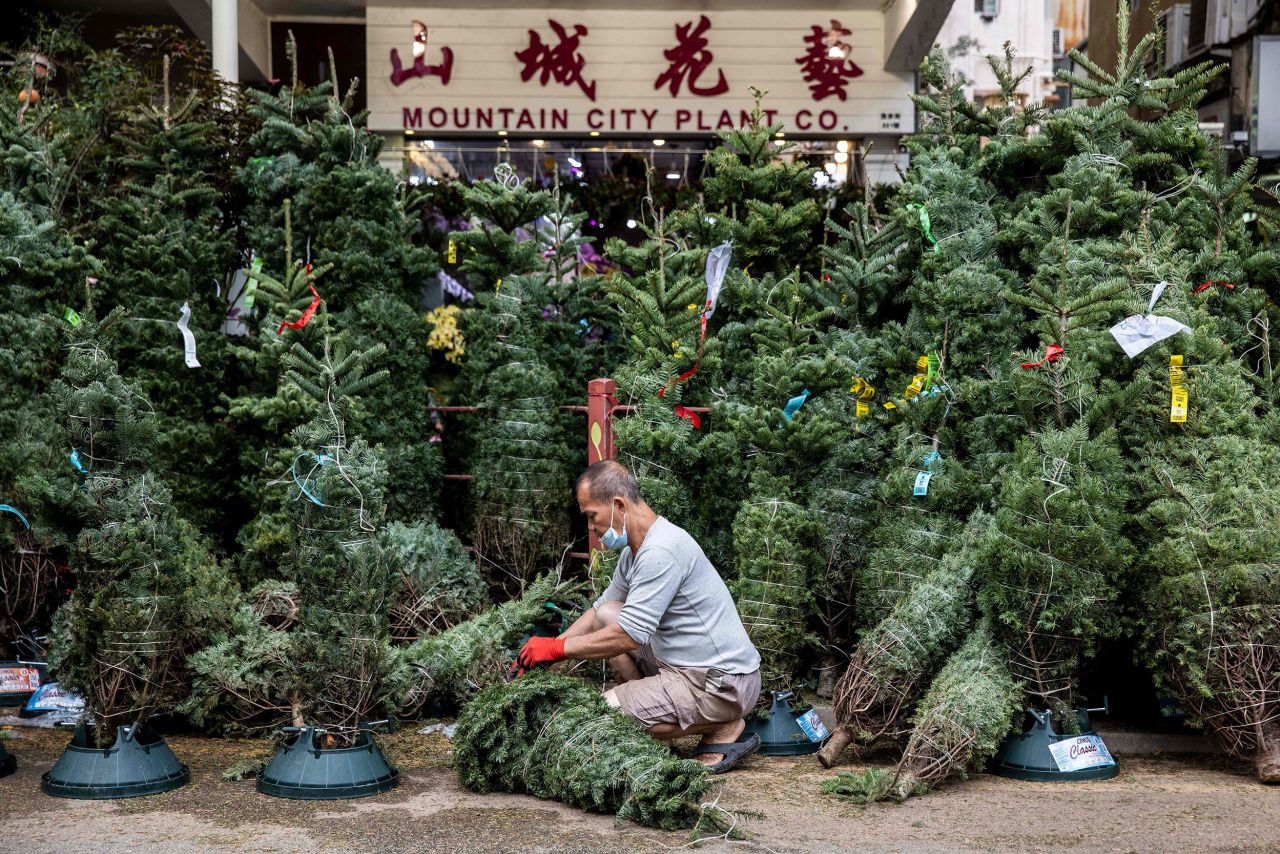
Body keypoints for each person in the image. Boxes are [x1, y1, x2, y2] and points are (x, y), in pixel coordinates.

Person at [514, 460, 762, 773]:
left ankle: (723, 725)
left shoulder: (661, 552)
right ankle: (655, 710)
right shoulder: (637, 550)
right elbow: (599, 614)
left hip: (719, 682)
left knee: (601, 715)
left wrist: (555, 649)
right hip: (684, 667)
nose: (591, 528)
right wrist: (546, 654)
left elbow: (627, 636)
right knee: (607, 613)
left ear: (618, 505)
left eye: (592, 516)